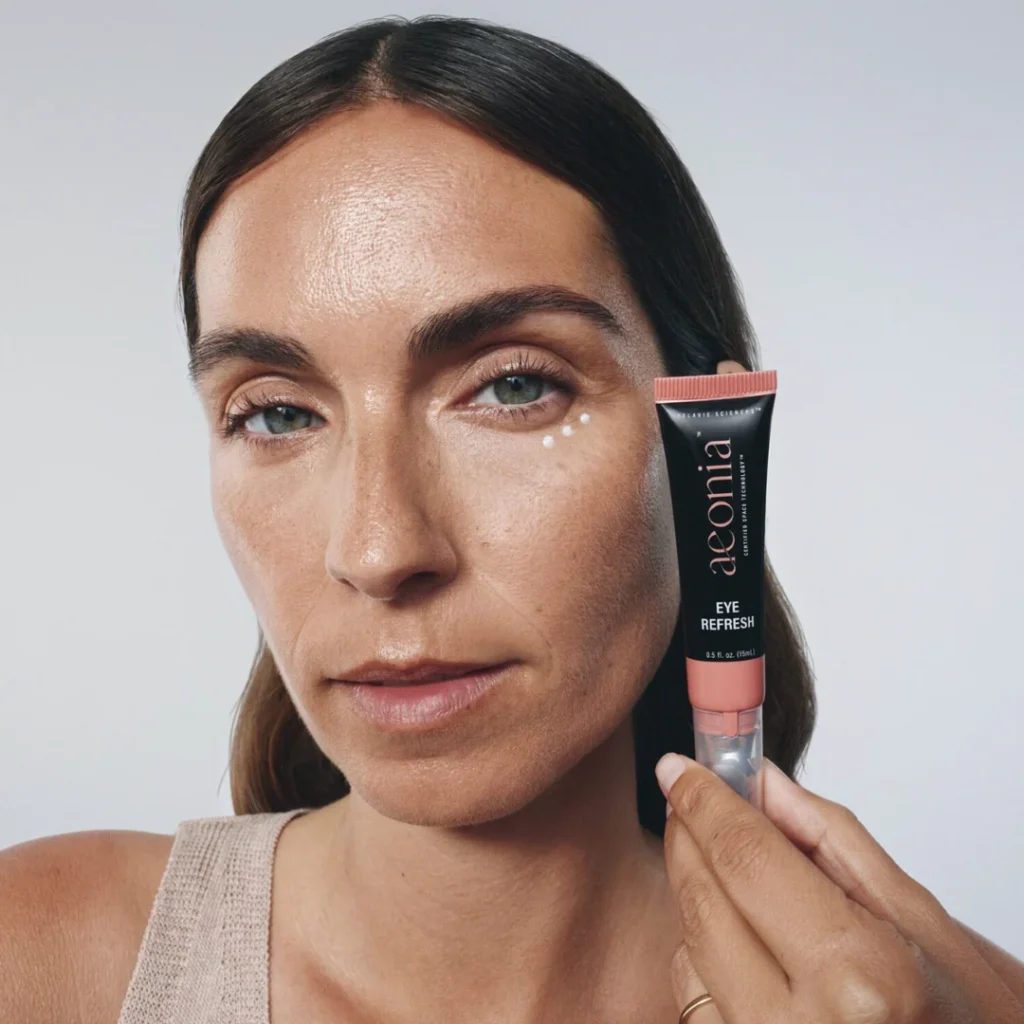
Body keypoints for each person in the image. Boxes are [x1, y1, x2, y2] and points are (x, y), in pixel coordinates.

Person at [2, 16, 1022, 1024]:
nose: (380, 550)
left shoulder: (959, 1006)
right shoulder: (45, 961)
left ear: (705, 450)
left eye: (514, 387)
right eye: (276, 414)